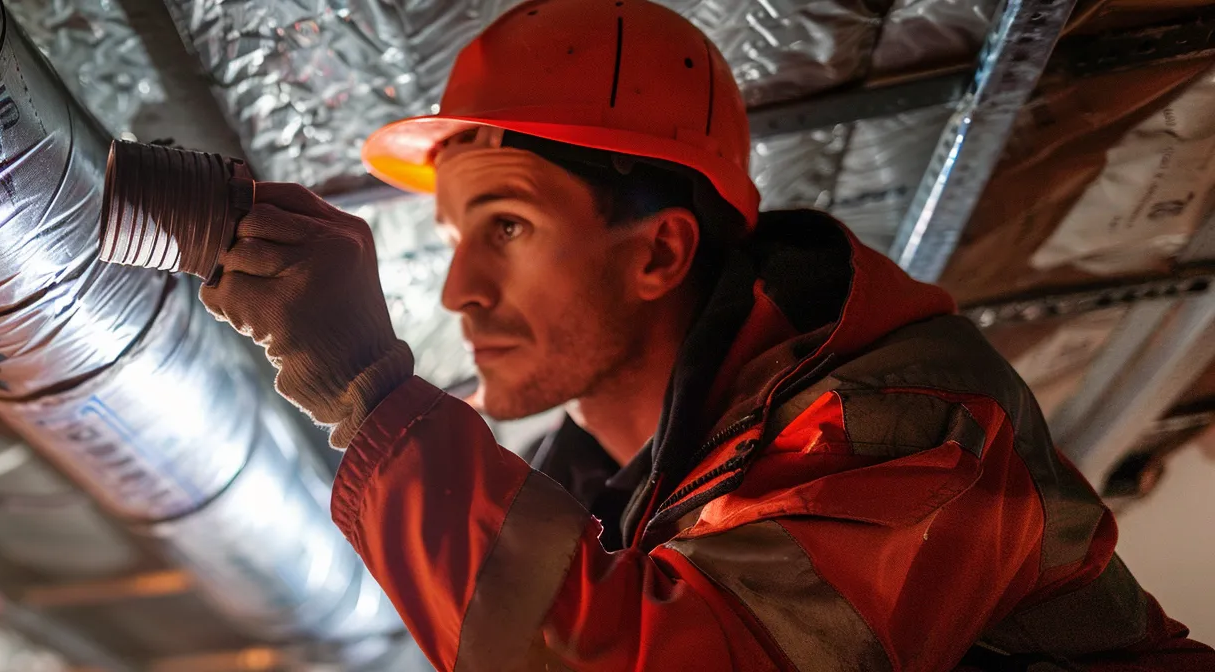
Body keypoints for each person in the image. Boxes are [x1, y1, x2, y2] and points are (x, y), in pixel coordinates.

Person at [198, 0, 1215, 669]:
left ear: (658, 254)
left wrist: (370, 387)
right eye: (458, 236)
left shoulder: (906, 423)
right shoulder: (618, 513)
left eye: (505, 225)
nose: (459, 288)